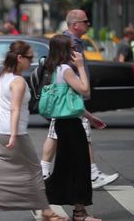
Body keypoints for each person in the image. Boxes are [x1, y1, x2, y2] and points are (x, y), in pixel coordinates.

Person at [0, 40, 68, 221]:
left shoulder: (4, 75)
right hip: (15, 133)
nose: (32, 61)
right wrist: (13, 134)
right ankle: (46, 211)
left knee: (0, 168)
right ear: (19, 58)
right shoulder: (18, 81)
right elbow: (15, 109)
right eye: (29, 58)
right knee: (35, 169)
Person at [40, 9, 118, 190]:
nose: (88, 24)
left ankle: (45, 171)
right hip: (70, 103)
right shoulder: (66, 64)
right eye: (85, 21)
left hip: (66, 104)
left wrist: (90, 116)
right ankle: (91, 175)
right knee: (83, 138)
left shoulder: (61, 59)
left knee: (55, 135)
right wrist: (81, 67)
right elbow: (83, 87)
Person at [43, 34, 102, 221]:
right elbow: (85, 91)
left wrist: (90, 117)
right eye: (72, 47)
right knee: (79, 167)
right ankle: (78, 212)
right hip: (70, 126)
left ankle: (72, 209)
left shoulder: (53, 69)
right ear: (64, 50)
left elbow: (69, 101)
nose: (75, 51)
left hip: (64, 123)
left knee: (66, 168)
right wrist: (81, 66)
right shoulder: (66, 69)